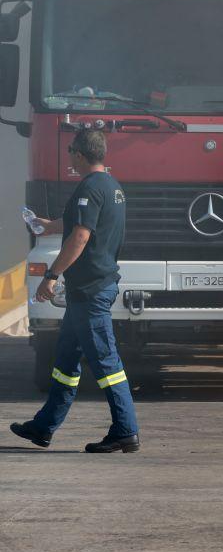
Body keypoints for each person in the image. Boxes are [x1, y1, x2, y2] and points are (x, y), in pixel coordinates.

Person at [10, 130, 140, 453]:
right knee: (65, 363)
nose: (68, 156)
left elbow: (80, 237)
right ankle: (43, 427)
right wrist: (46, 225)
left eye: (70, 150)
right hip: (90, 290)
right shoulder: (111, 187)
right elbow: (77, 223)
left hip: (90, 292)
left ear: (80, 155)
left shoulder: (90, 188)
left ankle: (126, 429)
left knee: (107, 364)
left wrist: (51, 275)